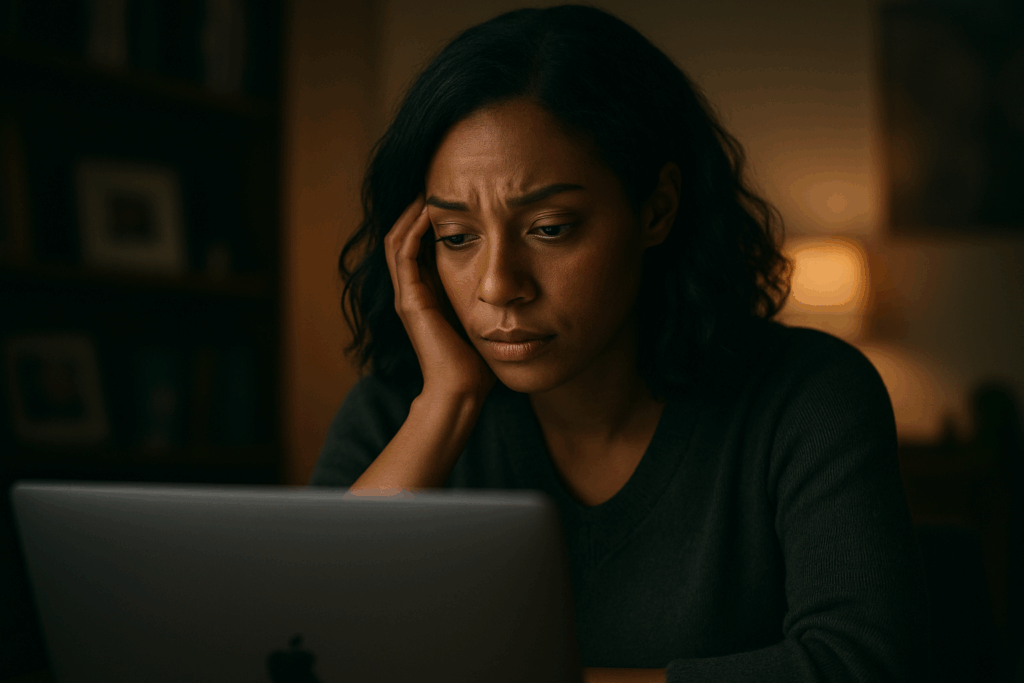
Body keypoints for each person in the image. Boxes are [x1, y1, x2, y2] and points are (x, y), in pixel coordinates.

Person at [311, 5, 929, 682]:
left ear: (656, 208)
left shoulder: (807, 395)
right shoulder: (394, 412)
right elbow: (306, 650)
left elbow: (859, 664)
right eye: (458, 237)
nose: (498, 285)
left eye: (550, 227)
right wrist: (446, 406)